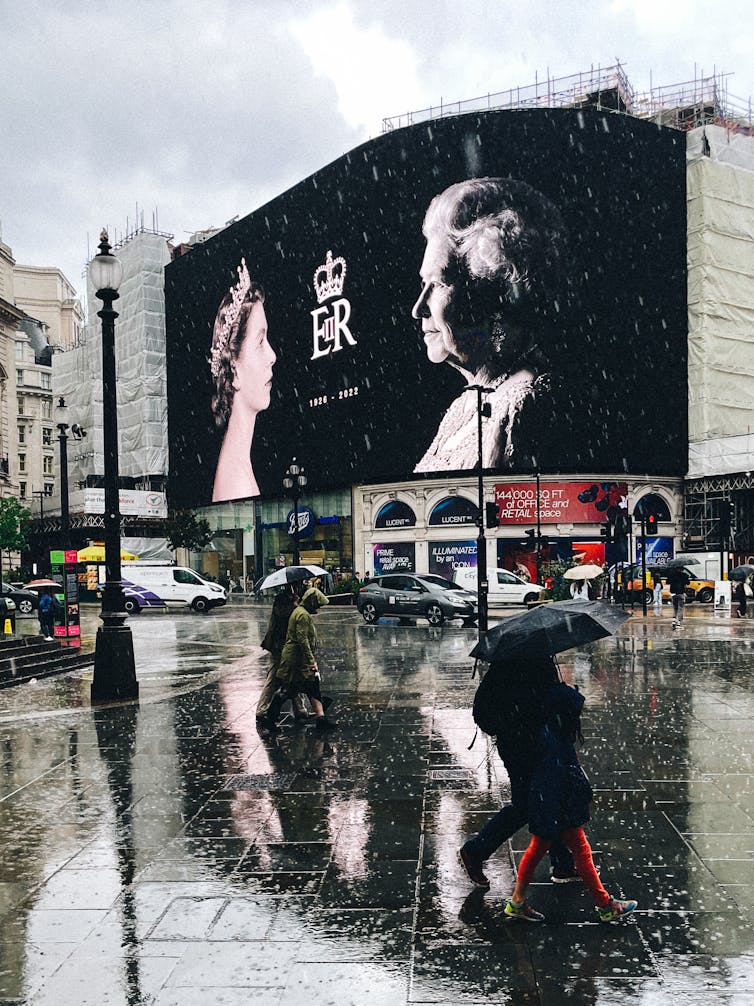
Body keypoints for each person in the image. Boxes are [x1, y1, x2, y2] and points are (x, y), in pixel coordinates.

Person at [411, 177, 567, 473]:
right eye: (423, 283)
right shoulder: (463, 405)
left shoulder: (524, 400)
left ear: (492, 297)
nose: (418, 308)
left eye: (440, 283)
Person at [504, 682, 637, 924]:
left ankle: (517, 901)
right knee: (580, 852)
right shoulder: (556, 744)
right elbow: (561, 779)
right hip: (558, 808)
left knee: (539, 850)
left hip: (549, 806)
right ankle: (606, 905)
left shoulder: (550, 734)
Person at [459, 654, 577, 889]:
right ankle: (476, 851)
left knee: (547, 797)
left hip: (517, 743)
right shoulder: (534, 663)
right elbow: (539, 705)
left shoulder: (505, 664)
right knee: (532, 802)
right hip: (528, 745)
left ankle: (563, 863)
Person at [210, 257, 276, 502]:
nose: (272, 356)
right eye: (260, 342)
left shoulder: (237, 466)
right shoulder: (237, 484)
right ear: (234, 372)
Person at [267, 586, 336, 731]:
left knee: (312, 687)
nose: (318, 608)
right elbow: (302, 640)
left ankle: (321, 718)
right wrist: (312, 661)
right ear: (312, 603)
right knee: (289, 689)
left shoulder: (299, 612)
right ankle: (270, 717)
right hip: (297, 661)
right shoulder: (303, 615)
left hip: (298, 659)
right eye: (317, 605)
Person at [256, 585, 310, 726]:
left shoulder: (290, 599)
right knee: (274, 677)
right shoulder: (282, 600)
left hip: (287, 645)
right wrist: (295, 605)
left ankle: (300, 709)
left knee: (295, 675)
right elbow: (283, 615)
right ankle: (262, 709)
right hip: (278, 645)